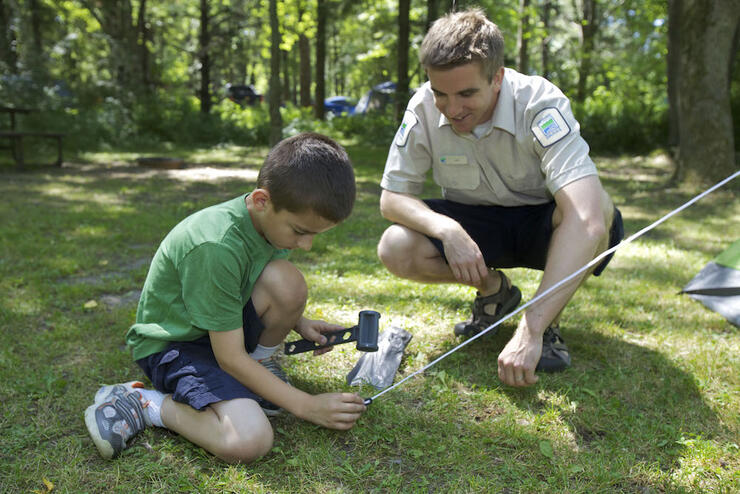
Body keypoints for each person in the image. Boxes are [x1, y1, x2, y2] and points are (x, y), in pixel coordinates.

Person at [377, 9, 624, 388]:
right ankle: (495, 293)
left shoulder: (540, 103)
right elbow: (392, 198)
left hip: (542, 223)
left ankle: (546, 321)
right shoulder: (422, 105)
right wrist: (448, 230)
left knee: (599, 210)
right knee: (395, 244)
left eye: (466, 93)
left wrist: (529, 330)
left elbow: (588, 218)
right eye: (440, 92)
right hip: (473, 226)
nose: (452, 108)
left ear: (497, 78)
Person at [85, 133, 367, 463]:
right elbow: (229, 357)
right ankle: (142, 404)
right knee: (248, 440)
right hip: (174, 347)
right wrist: (306, 405)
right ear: (262, 201)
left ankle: (259, 369)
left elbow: (250, 283)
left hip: (219, 334)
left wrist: (298, 322)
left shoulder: (268, 224)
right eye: (301, 232)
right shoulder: (216, 246)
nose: (306, 245)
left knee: (287, 282)